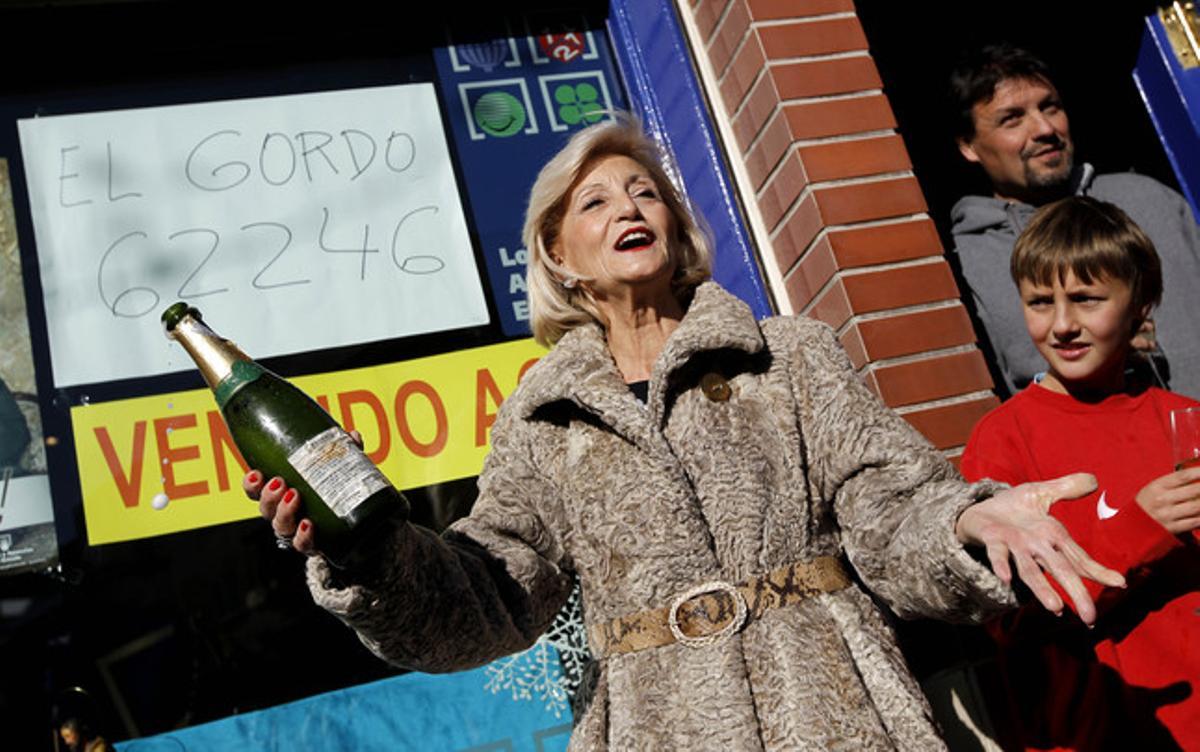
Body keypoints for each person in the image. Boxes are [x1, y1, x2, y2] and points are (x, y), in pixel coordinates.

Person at [245, 117, 1123, 750]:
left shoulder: (789, 354)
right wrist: (365, 560)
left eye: (646, 193)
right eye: (596, 201)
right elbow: (490, 594)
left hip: (834, 711)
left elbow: (891, 508)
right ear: (558, 254)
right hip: (658, 726)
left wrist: (967, 522)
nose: (630, 207)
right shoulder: (541, 419)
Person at [960, 196, 1200, 750]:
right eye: (1040, 302)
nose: (1063, 325)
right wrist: (1144, 529)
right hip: (1100, 730)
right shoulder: (1003, 438)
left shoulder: (1181, 419)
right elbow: (1009, 615)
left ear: (1140, 303)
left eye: (1087, 300)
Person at [948, 44, 1200, 399]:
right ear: (968, 146)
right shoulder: (965, 262)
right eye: (1012, 119)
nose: (1044, 128)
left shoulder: (1149, 198)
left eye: (1050, 107)